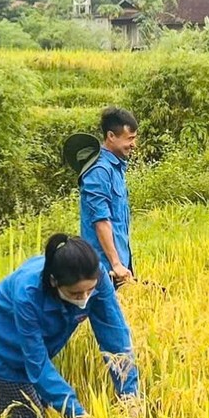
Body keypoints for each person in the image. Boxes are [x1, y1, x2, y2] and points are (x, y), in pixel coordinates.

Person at [0, 233, 141, 418]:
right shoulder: (28, 292)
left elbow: (115, 336)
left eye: (89, 291)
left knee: (46, 403)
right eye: (75, 293)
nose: (84, 298)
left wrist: (129, 395)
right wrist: (80, 417)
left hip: (41, 344)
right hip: (1, 346)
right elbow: (37, 364)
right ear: (54, 282)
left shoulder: (98, 278)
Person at [80, 107, 139, 286]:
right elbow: (101, 221)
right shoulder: (99, 171)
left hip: (120, 262)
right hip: (104, 268)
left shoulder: (116, 167)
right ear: (111, 136)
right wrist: (116, 263)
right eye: (130, 138)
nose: (133, 144)